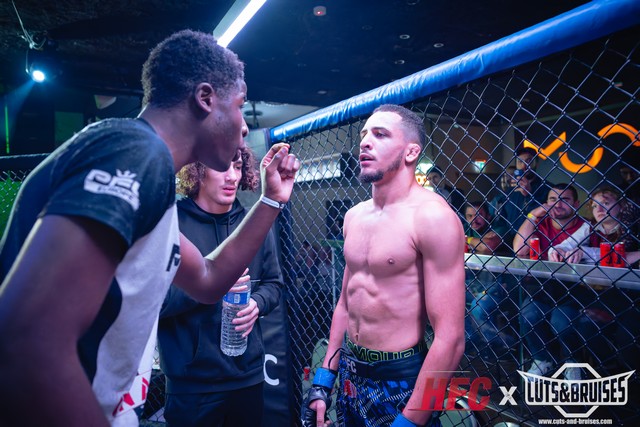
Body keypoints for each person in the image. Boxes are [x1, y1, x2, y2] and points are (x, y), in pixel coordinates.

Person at [0, 30, 299, 427]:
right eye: (240, 106)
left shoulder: (152, 180)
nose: (244, 127)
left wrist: (270, 200)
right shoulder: (135, 151)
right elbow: (28, 340)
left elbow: (209, 279)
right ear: (205, 98)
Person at [303, 104, 465, 427]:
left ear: (411, 152)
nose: (365, 142)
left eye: (380, 134)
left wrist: (411, 420)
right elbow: (345, 304)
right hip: (351, 370)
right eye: (364, 134)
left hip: (402, 377)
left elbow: (451, 339)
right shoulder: (354, 216)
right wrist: (323, 381)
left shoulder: (432, 217)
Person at [158, 148, 284, 426]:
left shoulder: (254, 223)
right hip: (192, 385)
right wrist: (210, 283)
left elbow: (274, 285)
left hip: (247, 377)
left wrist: (257, 304)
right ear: (198, 171)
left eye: (237, 167)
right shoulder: (170, 224)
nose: (232, 177)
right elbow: (157, 302)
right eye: (222, 167)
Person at [513, 184, 588, 380]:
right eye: (553, 199)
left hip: (574, 290)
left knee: (561, 322)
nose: (558, 204)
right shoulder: (541, 223)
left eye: (565, 199)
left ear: (576, 204)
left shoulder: (585, 226)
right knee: (528, 315)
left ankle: (573, 363)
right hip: (543, 288)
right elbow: (519, 250)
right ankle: (543, 359)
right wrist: (532, 215)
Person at [463, 201, 516, 355]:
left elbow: (488, 246)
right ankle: (472, 340)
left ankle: (500, 346)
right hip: (472, 284)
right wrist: (476, 241)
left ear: (488, 216)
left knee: (478, 307)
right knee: (451, 299)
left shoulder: (500, 227)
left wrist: (466, 239)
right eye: (470, 216)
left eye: (478, 215)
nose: (474, 220)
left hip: (499, 287)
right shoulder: (466, 229)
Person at [498, 146, 553, 243]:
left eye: (528, 161)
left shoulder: (548, 188)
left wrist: (529, 195)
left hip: (536, 240)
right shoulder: (510, 190)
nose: (524, 166)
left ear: (536, 163)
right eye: (520, 161)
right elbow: (503, 217)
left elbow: (548, 215)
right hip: (510, 241)